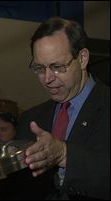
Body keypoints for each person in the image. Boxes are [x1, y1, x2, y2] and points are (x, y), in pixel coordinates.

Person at [15, 16, 110, 200]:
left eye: (57, 66)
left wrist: (64, 154)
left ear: (82, 59)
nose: (48, 78)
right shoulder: (30, 119)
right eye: (40, 68)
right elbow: (15, 187)